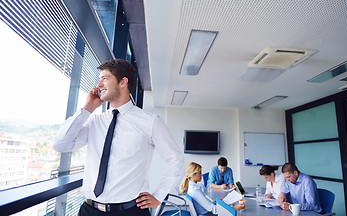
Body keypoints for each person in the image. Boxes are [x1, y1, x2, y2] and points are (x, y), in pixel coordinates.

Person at [53, 59, 184, 216]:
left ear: (123, 82)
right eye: (99, 78)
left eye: (105, 78)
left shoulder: (150, 122)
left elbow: (175, 159)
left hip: (129, 212)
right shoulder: (95, 121)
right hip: (89, 210)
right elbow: (61, 145)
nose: (99, 84)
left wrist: (159, 195)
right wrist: (87, 108)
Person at [179, 162, 245, 216]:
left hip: (206, 212)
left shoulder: (191, 187)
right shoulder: (195, 191)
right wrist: (235, 208)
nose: (202, 175)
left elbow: (204, 204)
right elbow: (214, 210)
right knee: (238, 213)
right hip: (208, 214)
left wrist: (214, 201)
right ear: (193, 174)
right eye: (200, 173)